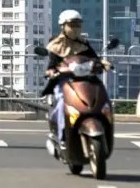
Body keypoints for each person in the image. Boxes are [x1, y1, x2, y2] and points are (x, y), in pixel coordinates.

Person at [44, 10, 110, 142]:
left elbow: (94, 58)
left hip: (85, 80)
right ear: (63, 26)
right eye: (71, 25)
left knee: (102, 99)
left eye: (78, 25)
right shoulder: (55, 45)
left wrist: (103, 63)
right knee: (62, 102)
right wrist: (52, 72)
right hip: (64, 81)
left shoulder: (84, 44)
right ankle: (63, 136)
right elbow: (51, 65)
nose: (75, 28)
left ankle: (106, 130)